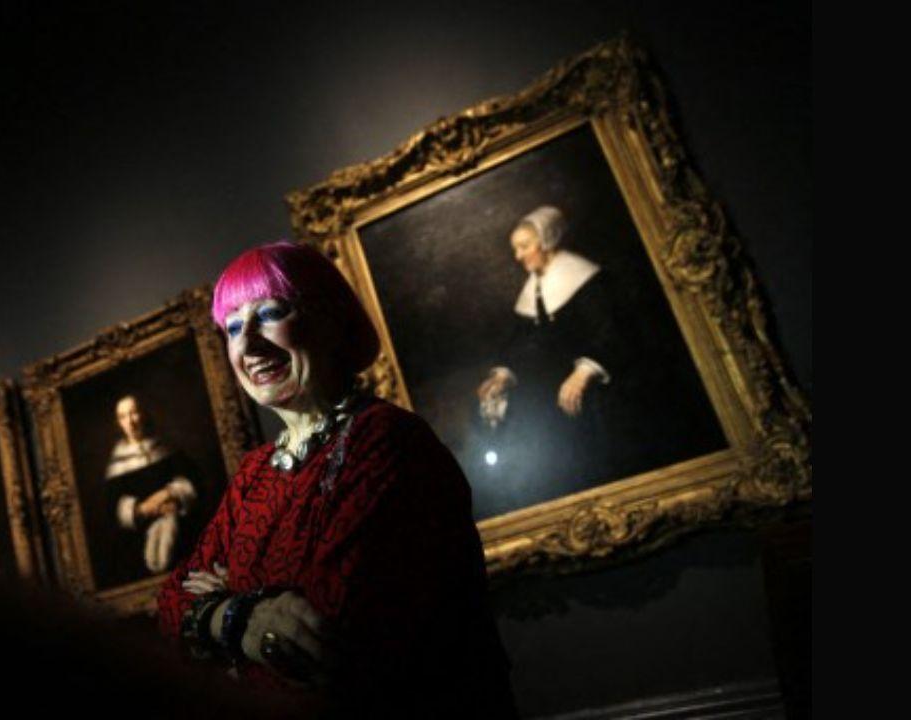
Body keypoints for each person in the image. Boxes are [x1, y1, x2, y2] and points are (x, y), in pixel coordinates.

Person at [156, 241, 515, 715]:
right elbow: (169, 604)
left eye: (271, 313)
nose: (250, 344)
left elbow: (326, 637)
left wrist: (220, 611)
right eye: (234, 327)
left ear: (331, 320)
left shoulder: (385, 440)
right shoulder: (254, 473)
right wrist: (245, 615)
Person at [474, 205, 627, 506]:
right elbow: (520, 339)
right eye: (515, 248)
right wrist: (503, 374)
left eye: (523, 247)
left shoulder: (587, 280)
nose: (518, 256)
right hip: (547, 387)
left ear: (546, 242)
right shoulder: (535, 286)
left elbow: (610, 334)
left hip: (595, 389)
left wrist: (584, 372)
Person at [103, 394, 200, 585]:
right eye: (123, 416)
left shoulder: (166, 448)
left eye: (134, 413)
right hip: (138, 539)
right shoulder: (116, 465)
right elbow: (112, 509)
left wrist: (170, 494)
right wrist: (144, 509)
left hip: (182, 529)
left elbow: (194, 482)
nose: (130, 421)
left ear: (143, 414)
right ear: (118, 423)